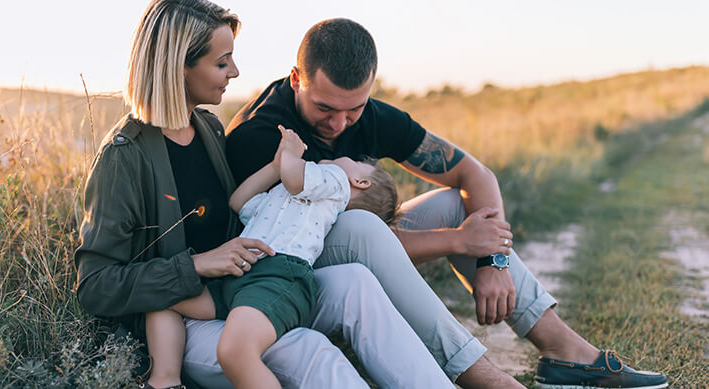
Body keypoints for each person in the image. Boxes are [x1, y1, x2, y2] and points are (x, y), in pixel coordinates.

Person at [225, 17, 669, 389]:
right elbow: (333, 243)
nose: (340, 123)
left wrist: (492, 258)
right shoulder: (263, 137)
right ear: (296, 78)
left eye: (354, 109)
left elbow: (474, 174)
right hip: (284, 274)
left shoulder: (365, 112)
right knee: (366, 229)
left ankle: (566, 354)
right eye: (325, 108)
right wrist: (459, 241)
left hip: (359, 244)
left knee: (457, 203)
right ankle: (482, 376)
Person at [75, 1, 457, 388]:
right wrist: (199, 265)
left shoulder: (207, 128)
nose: (235, 72)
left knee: (356, 283)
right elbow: (96, 285)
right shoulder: (124, 157)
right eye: (222, 63)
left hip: (250, 286)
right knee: (307, 350)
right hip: (185, 320)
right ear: (178, 67)